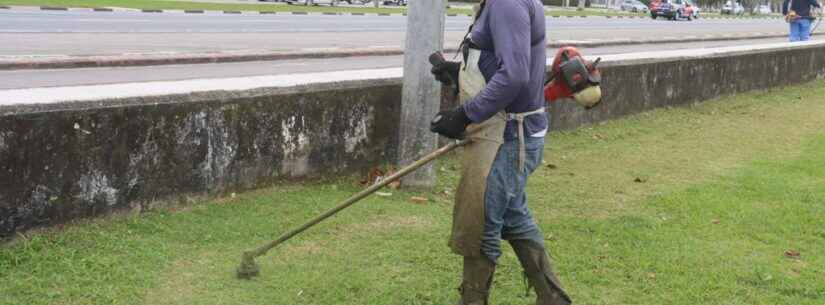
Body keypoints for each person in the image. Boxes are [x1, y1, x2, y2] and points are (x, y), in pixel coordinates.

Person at [429, 0, 572, 304]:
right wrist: (458, 72)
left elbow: (515, 75)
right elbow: (503, 63)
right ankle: (553, 298)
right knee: (513, 217)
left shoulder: (507, 3)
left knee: (482, 224)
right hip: (508, 131)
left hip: (507, 136)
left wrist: (465, 115)